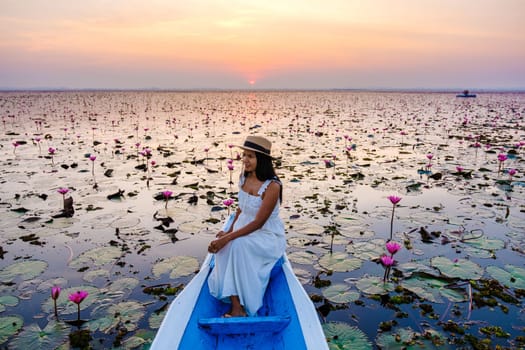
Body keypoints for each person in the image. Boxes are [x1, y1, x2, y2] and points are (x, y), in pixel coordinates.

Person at [207, 135, 286, 317]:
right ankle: (235, 296)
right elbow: (241, 209)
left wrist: (229, 238)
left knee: (236, 246)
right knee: (225, 247)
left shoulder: (272, 186)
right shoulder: (244, 177)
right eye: (244, 155)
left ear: (262, 160)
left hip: (266, 234)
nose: (245, 160)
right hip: (244, 226)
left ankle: (238, 308)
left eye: (251, 156)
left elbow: (258, 223)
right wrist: (227, 231)